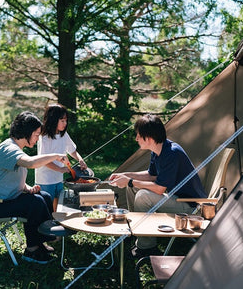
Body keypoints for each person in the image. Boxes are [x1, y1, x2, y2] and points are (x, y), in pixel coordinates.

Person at [0, 111, 67, 264]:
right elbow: (31, 163)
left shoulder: (15, 148)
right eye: (36, 135)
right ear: (27, 132)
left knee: (44, 196)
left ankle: (39, 243)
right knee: (34, 203)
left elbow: (9, 179)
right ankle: (32, 250)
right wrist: (56, 156)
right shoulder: (8, 149)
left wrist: (27, 188)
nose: (37, 139)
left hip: (3, 200)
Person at [109, 114, 206, 258]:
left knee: (142, 196)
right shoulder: (158, 150)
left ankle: (147, 248)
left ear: (148, 138)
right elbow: (151, 175)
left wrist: (129, 181)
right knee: (133, 187)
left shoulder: (172, 153)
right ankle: (135, 229)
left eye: (138, 135)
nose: (136, 139)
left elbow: (160, 189)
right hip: (175, 197)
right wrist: (126, 175)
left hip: (189, 205)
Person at [35, 104, 89, 211]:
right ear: (53, 120)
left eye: (66, 120)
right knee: (47, 208)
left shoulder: (64, 135)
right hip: (45, 180)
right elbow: (44, 161)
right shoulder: (44, 138)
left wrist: (80, 160)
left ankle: (57, 224)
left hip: (58, 179)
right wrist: (60, 169)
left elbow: (72, 150)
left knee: (58, 207)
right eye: (62, 120)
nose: (65, 123)